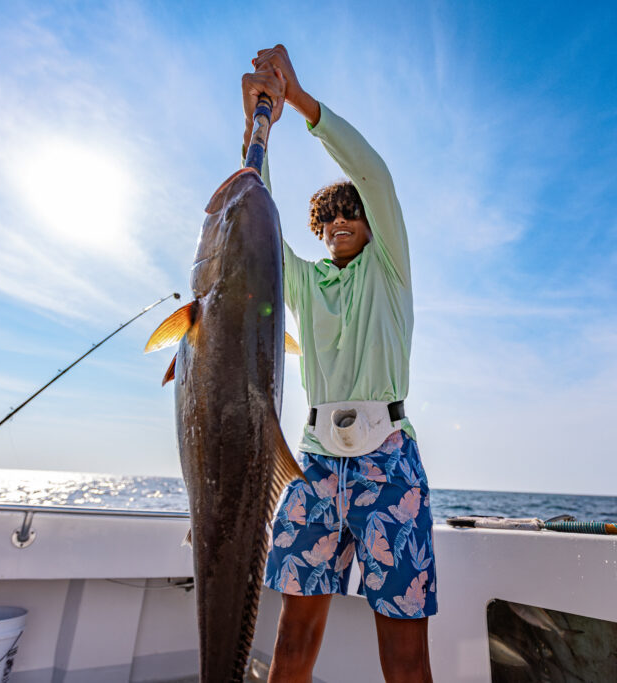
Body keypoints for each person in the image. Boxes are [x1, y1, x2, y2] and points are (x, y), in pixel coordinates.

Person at [242, 45, 436, 683]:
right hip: (314, 461)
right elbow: (257, 226)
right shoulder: (301, 283)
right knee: (293, 640)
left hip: (389, 461)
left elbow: (374, 174)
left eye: (355, 214)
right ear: (320, 231)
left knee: (403, 654)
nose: (345, 222)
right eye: (331, 218)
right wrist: (255, 130)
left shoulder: (390, 271)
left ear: (373, 225)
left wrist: (295, 100)